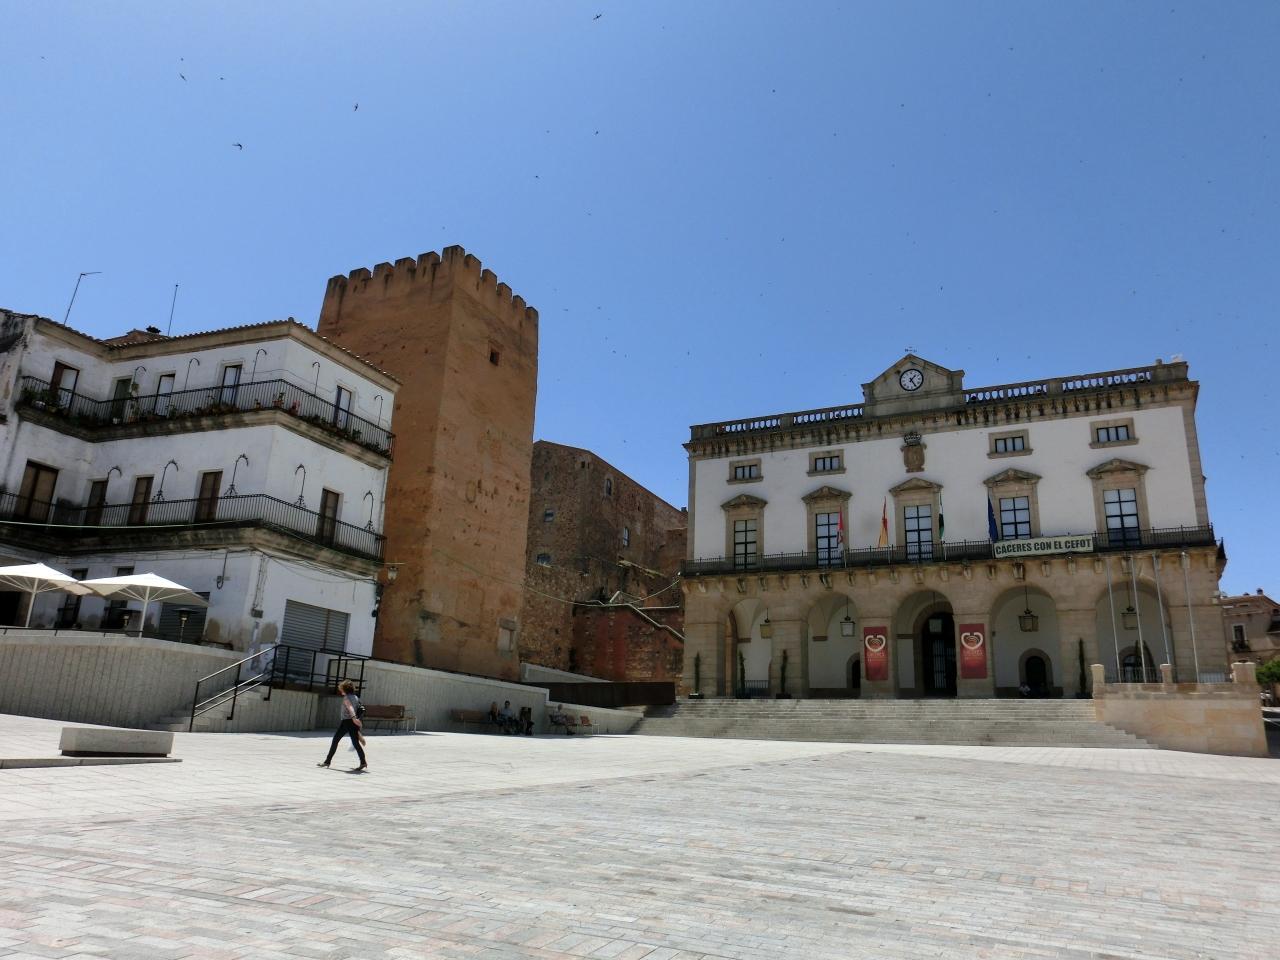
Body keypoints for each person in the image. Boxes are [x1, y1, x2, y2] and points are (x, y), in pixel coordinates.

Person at [318, 679, 367, 771]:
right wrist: (356, 720)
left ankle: (327, 761)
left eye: (341, 689)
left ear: (344, 689)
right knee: (355, 743)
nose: (340, 690)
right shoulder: (356, 697)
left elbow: (350, 708)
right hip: (352, 722)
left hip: (347, 721)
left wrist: (353, 718)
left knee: (335, 740)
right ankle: (363, 762)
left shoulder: (347, 698)